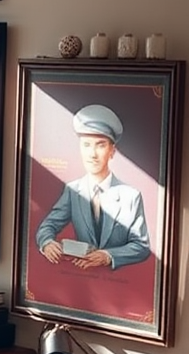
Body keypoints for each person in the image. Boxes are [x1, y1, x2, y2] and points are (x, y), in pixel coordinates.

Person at [35, 105, 150, 271]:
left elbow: (142, 246)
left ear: (112, 151)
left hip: (119, 283)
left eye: (101, 145)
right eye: (86, 145)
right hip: (80, 280)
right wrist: (47, 243)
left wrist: (108, 256)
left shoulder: (131, 196)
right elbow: (47, 226)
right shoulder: (73, 190)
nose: (92, 154)